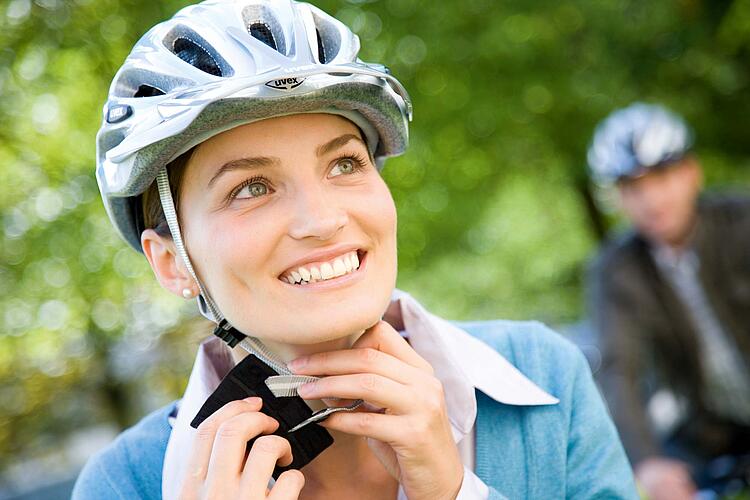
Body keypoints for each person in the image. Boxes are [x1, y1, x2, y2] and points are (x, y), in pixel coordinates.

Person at [73, 1, 638, 498]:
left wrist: (453, 494)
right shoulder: (123, 485)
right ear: (173, 263)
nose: (321, 220)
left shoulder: (544, 375)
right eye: (251, 188)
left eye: (344, 163)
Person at [586, 102, 750, 499]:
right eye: (632, 187)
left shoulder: (742, 222)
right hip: (710, 434)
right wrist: (647, 462)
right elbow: (618, 370)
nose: (651, 198)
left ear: (692, 172)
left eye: (661, 176)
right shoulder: (615, 269)